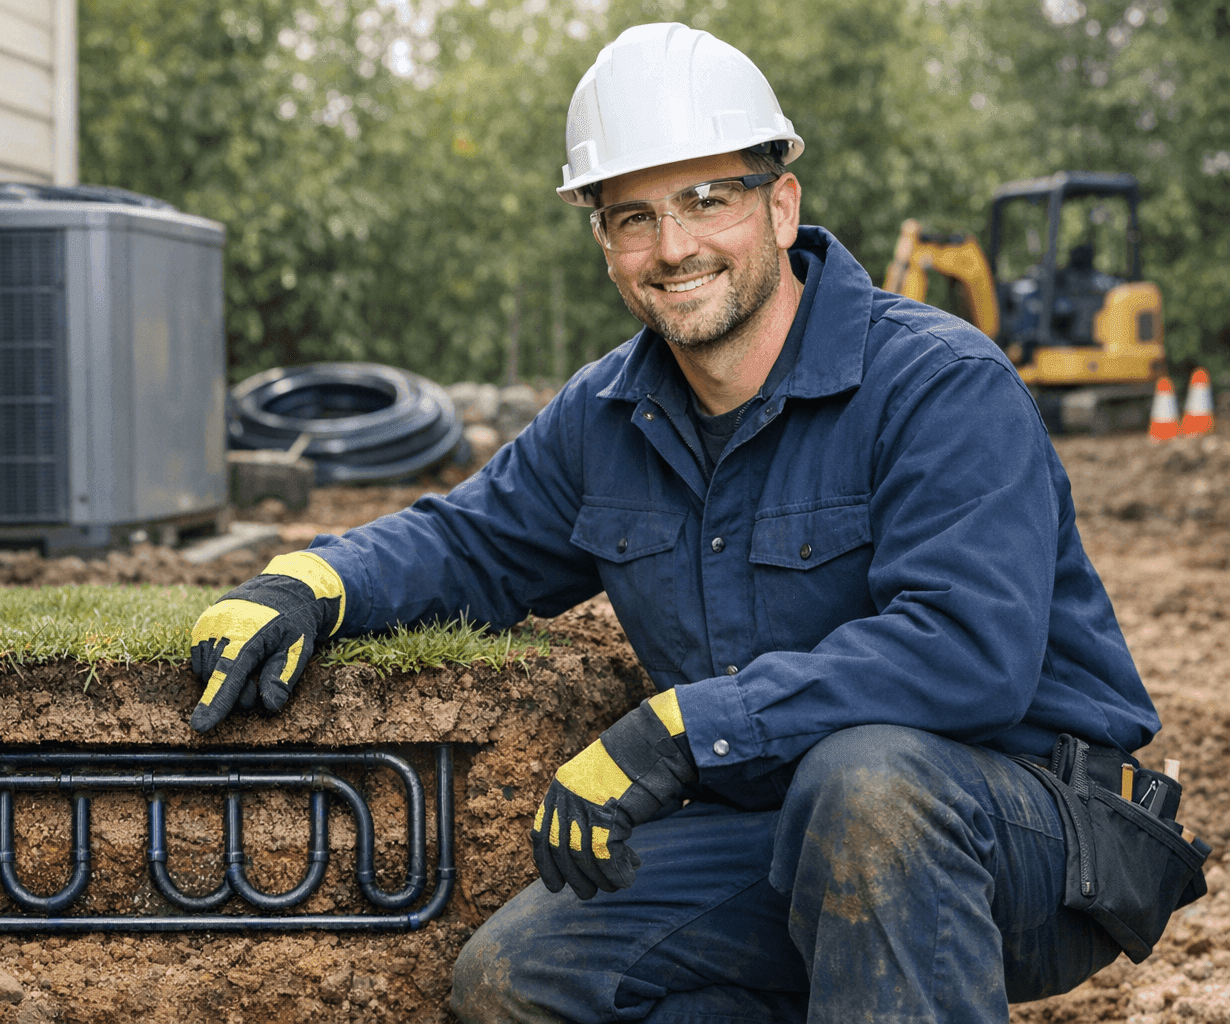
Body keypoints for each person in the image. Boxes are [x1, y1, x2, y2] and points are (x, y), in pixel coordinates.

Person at [187, 23, 1175, 1024]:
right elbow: (471, 541)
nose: (673, 247)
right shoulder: (608, 412)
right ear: (604, 242)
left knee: (867, 786)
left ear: (780, 205)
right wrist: (311, 580)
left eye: (708, 199)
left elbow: (968, 651)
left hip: (1033, 833)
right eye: (634, 217)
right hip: (791, 828)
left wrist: (686, 729)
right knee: (519, 975)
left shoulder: (938, 383)